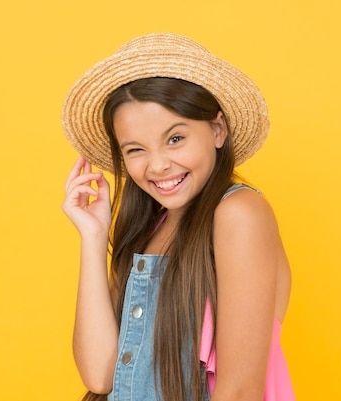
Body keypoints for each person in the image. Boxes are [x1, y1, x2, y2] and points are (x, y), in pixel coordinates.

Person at [61, 33, 294, 401]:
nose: (157, 165)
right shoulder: (148, 228)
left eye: (175, 139)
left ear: (218, 130)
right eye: (136, 149)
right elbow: (100, 375)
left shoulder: (239, 214)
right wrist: (93, 236)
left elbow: (238, 391)